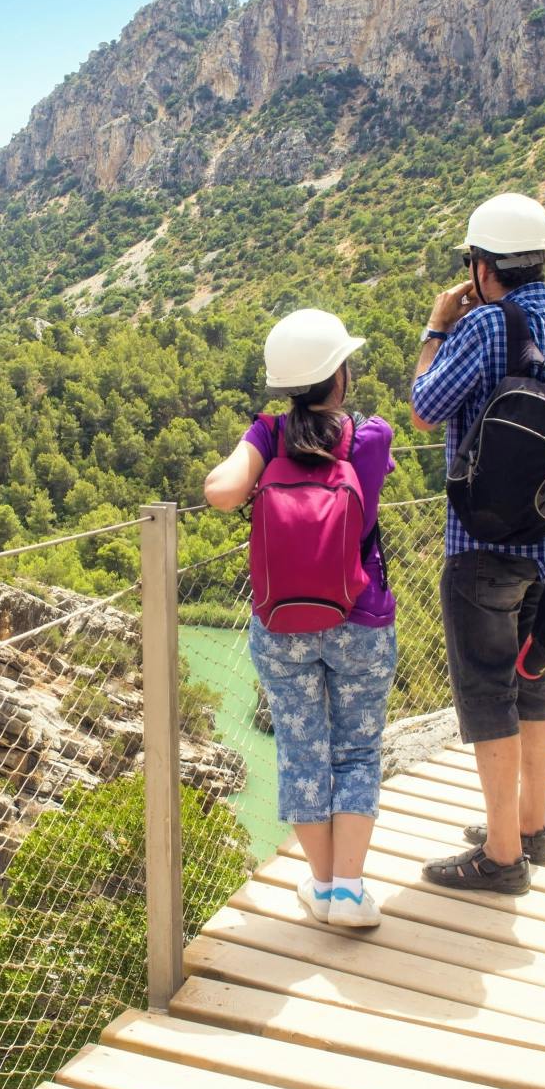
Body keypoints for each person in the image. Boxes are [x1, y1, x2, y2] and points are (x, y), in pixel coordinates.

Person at [409, 193, 545, 895]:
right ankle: (531, 825)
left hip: (481, 543)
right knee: (534, 676)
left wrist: (435, 327)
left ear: (483, 267)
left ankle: (501, 855)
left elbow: (425, 407)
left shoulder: (482, 326)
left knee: (487, 690)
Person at [204, 309, 398, 928]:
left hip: (281, 623)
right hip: (361, 616)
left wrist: (259, 449)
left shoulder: (267, 433)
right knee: (358, 750)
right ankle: (348, 889)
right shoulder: (372, 436)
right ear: (338, 376)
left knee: (302, 749)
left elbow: (221, 493)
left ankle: (318, 886)